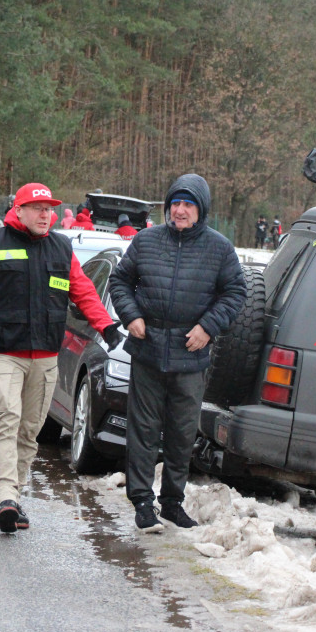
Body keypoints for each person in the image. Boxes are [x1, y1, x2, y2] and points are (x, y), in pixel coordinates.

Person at [0, 182, 122, 533]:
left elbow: (85, 293)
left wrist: (107, 328)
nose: (45, 214)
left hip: (46, 358)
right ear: (18, 211)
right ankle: (5, 497)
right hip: (4, 354)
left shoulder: (61, 248)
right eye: (38, 208)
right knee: (7, 419)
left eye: (49, 208)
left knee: (29, 431)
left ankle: (13, 495)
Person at [108, 174, 246, 531]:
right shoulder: (146, 241)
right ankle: (142, 502)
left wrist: (207, 327)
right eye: (175, 204)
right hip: (148, 350)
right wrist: (132, 316)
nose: (180, 211)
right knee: (143, 429)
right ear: (168, 207)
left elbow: (235, 293)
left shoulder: (219, 248)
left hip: (191, 354)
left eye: (188, 205)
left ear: (201, 210)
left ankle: (172, 501)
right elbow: (120, 281)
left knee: (183, 433)